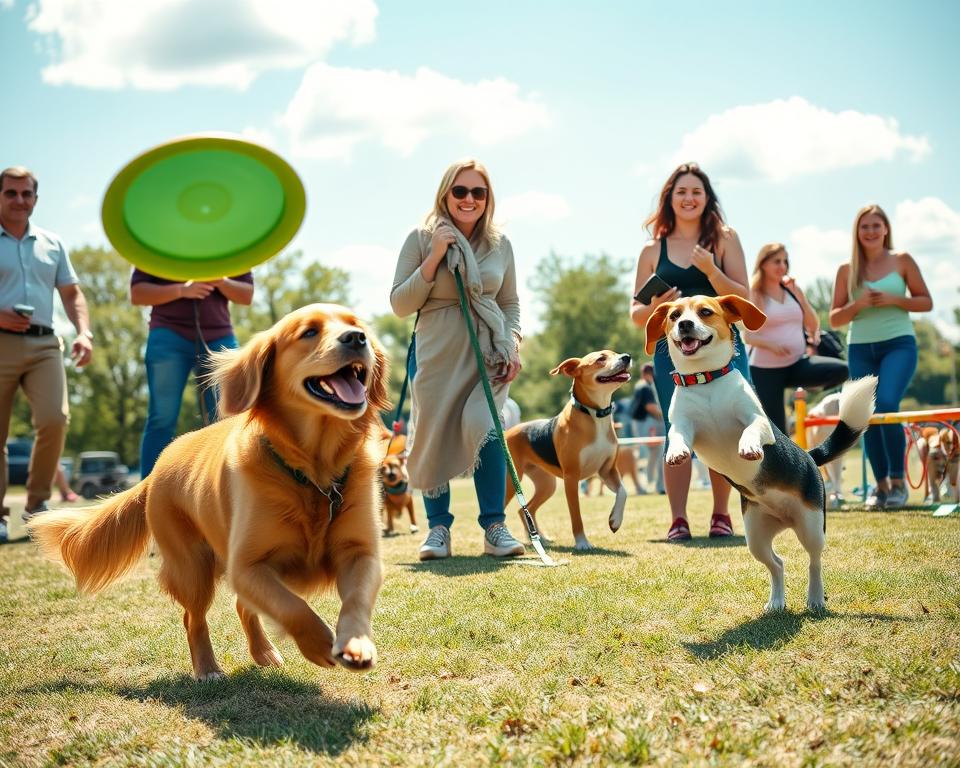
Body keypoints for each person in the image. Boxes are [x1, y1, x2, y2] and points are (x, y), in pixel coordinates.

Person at [391, 158, 525, 561]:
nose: (469, 199)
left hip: (489, 354)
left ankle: (495, 527)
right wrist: (434, 256)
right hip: (436, 353)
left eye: (478, 192)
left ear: (488, 198)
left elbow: (510, 303)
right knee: (433, 435)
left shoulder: (501, 244)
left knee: (487, 427)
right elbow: (400, 303)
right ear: (445, 194)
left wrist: (513, 343)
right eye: (460, 191)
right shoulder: (421, 237)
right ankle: (438, 529)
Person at [630, 162, 751, 541]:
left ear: (707, 197)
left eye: (696, 191)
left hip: (724, 350)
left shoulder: (725, 239)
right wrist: (655, 306)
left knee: (726, 429)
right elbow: (636, 314)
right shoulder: (653, 249)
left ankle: (721, 514)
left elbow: (744, 297)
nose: (689, 198)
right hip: (671, 355)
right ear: (670, 198)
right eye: (681, 191)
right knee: (677, 429)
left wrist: (711, 271)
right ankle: (678, 519)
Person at [0, 166, 93, 543]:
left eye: (26, 194)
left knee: (55, 419)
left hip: (44, 345)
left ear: (36, 199)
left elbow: (71, 294)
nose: (19, 200)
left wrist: (83, 332)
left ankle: (36, 506)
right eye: (11, 193)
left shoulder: (52, 243)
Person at [829, 204, 932, 510]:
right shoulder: (846, 269)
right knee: (865, 414)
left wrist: (894, 299)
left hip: (898, 345)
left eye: (876, 225)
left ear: (886, 229)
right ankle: (882, 486)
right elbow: (835, 319)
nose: (871, 231)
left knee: (886, 403)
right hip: (861, 348)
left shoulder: (902, 260)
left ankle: (899, 483)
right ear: (857, 232)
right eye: (865, 226)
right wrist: (858, 305)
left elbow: (926, 302)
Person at [130, 268, 253, 479]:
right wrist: (182, 290)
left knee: (229, 417)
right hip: (167, 335)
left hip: (219, 336)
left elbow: (247, 295)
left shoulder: (228, 249)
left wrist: (221, 281)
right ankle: (146, 494)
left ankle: (228, 487)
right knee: (162, 417)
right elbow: (137, 293)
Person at [744, 243, 848, 434]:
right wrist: (771, 345)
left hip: (796, 363)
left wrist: (800, 295)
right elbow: (747, 336)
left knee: (842, 370)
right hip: (765, 371)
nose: (782, 266)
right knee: (777, 431)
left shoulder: (791, 290)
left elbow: (813, 326)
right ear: (763, 264)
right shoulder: (755, 293)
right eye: (777, 261)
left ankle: (810, 388)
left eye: (785, 261)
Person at [629, 362, 664, 493]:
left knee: (654, 454)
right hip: (646, 424)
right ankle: (657, 485)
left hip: (642, 423)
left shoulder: (641, 385)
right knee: (658, 453)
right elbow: (650, 407)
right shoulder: (645, 387)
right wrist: (666, 416)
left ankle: (651, 483)